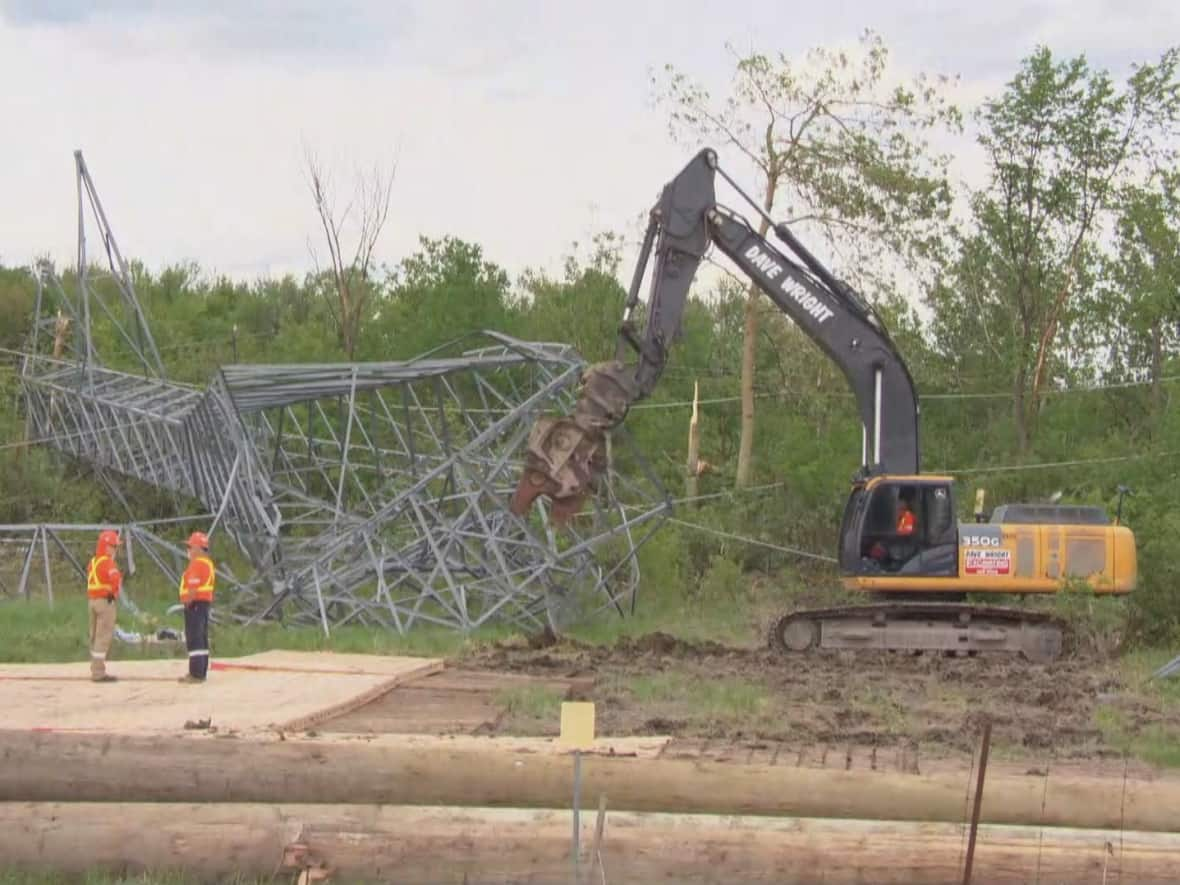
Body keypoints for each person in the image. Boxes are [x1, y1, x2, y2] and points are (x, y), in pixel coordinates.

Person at [178, 531, 215, 684]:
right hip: (203, 604)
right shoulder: (208, 563)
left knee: (194, 638)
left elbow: (193, 586)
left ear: (199, 548)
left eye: (190, 546)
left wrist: (188, 601)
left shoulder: (197, 563)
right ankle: (202, 671)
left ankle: (195, 674)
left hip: (195, 604)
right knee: (202, 637)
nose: (188, 550)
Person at [86, 530, 123, 683]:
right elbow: (116, 579)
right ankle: (99, 673)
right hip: (105, 602)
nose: (115, 550)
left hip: (92, 601)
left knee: (94, 636)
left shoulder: (93, 561)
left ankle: (95, 669)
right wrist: (114, 593)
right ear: (107, 546)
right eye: (114, 546)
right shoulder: (108, 563)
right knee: (103, 636)